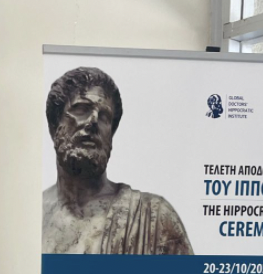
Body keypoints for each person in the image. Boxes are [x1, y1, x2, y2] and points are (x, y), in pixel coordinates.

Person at [43, 67, 193, 255]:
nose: (93, 121)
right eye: (81, 109)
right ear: (54, 125)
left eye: (104, 116)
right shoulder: (33, 215)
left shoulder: (154, 218)